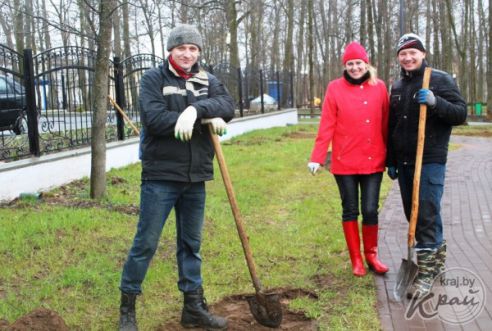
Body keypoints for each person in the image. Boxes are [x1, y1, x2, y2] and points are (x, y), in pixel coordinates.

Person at [118, 24, 235, 331]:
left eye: (193, 49)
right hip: (161, 176)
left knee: (191, 244)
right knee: (146, 243)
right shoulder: (154, 79)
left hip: (196, 176)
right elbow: (154, 119)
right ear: (170, 50)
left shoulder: (206, 79)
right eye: (181, 48)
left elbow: (227, 105)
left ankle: (193, 308)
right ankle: (127, 309)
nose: (187, 54)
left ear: (199, 52)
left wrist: (197, 110)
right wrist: (193, 117)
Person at [387, 33, 467, 298]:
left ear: (423, 54)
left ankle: (425, 274)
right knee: (415, 215)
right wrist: (392, 160)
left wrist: (435, 102)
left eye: (413, 52)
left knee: (426, 214)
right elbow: (393, 125)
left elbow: (460, 114)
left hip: (430, 159)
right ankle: (436, 263)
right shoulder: (397, 86)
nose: (408, 57)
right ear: (398, 57)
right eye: (403, 54)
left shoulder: (440, 79)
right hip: (406, 161)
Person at [308, 42, 389, 277]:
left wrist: (390, 156)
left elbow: (385, 122)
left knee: (370, 209)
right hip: (344, 162)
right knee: (350, 209)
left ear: (367, 63)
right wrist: (318, 157)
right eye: (350, 63)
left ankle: (371, 255)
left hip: (373, 160)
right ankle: (356, 259)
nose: (354, 67)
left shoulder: (380, 87)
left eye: (358, 63)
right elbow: (327, 124)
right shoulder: (335, 88)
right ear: (345, 65)